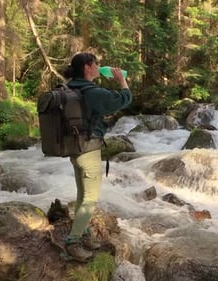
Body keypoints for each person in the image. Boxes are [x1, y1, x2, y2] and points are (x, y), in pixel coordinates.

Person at [62, 52, 132, 261]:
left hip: (73, 149)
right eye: (96, 64)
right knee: (90, 199)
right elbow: (123, 99)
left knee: (82, 195)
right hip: (88, 149)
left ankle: (84, 233)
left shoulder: (70, 87)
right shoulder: (92, 93)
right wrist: (122, 80)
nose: (99, 67)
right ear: (88, 67)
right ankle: (73, 242)